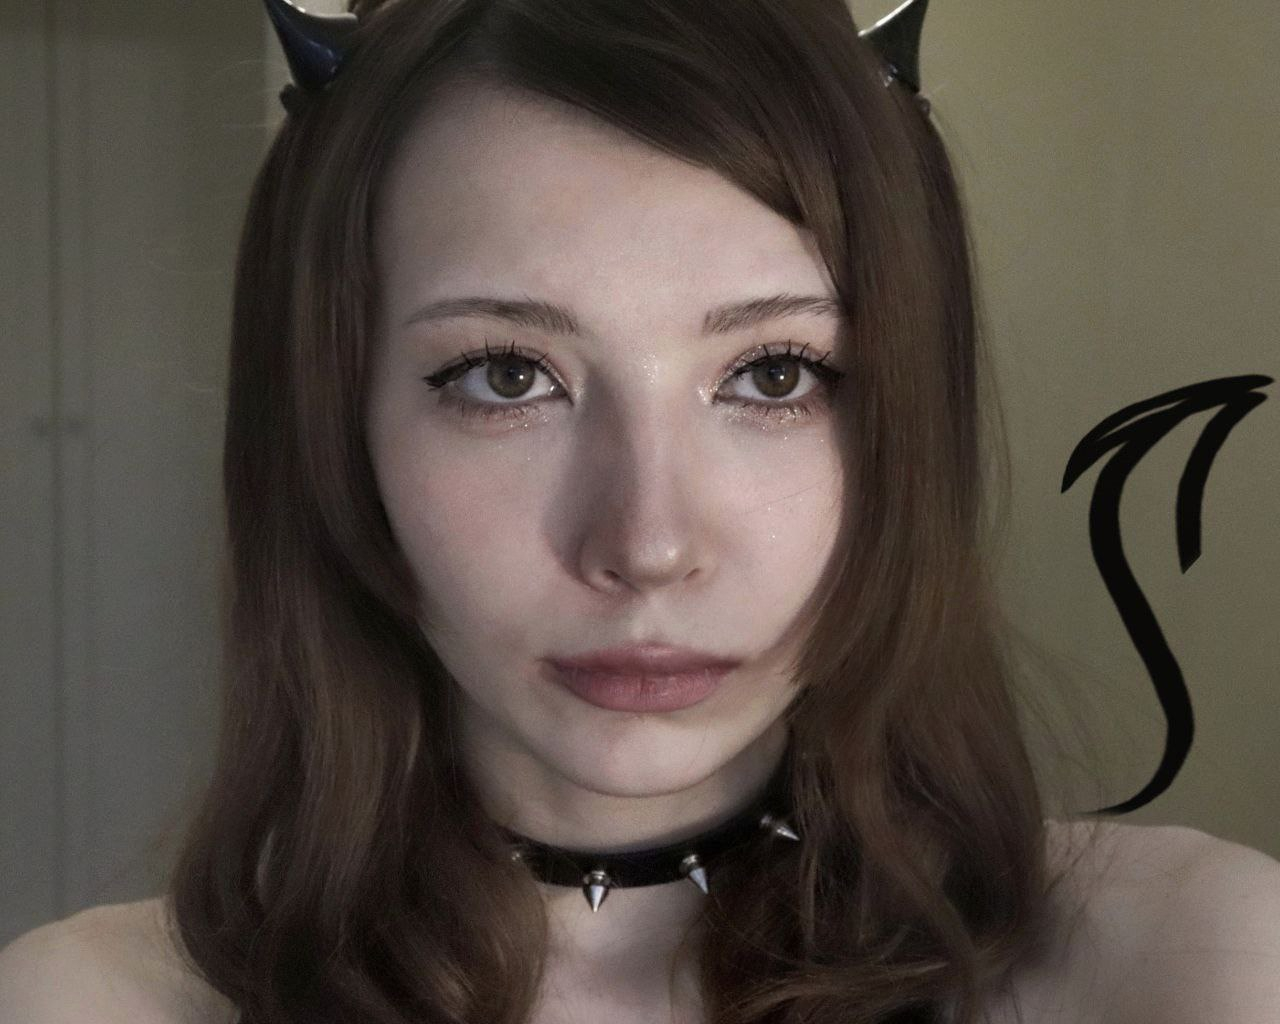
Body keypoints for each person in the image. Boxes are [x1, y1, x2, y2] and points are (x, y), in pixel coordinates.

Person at [2, 0, 1279, 1022]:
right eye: (506, 377)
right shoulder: (94, 1003)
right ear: (335, 430)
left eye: (773, 375)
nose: (649, 544)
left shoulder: (1179, 962)